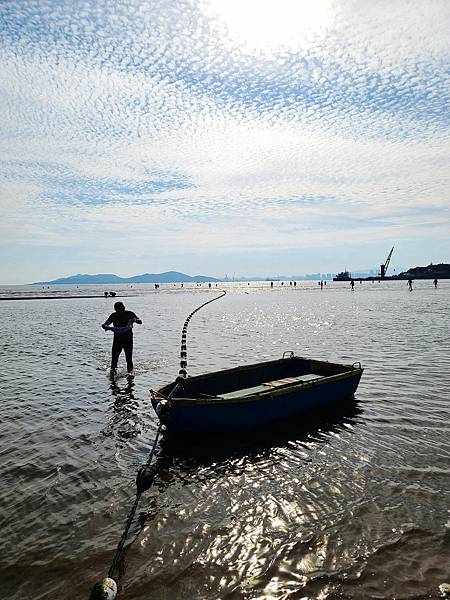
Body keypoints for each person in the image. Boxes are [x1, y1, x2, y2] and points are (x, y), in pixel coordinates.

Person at [102, 302, 142, 374]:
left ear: (124, 307)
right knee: (114, 360)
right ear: (115, 309)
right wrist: (104, 326)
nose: (121, 310)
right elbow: (106, 323)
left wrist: (135, 320)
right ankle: (113, 376)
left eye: (122, 308)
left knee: (128, 359)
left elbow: (140, 321)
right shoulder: (114, 315)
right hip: (117, 340)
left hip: (128, 340)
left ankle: (130, 377)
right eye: (118, 309)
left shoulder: (130, 314)